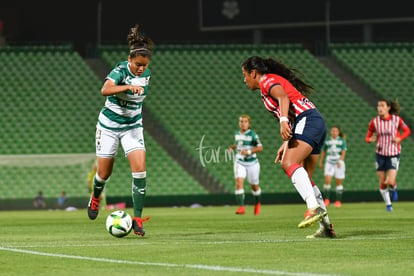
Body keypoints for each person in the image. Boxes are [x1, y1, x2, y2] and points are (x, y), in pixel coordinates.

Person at [241, 56, 336, 238]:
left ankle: (313, 208)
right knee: (305, 178)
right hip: (312, 121)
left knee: (288, 163)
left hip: (307, 120)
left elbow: (283, 98)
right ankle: (326, 227)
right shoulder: (268, 85)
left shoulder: (267, 80)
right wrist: (286, 142)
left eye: (245, 75)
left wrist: (283, 122)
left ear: (253, 73)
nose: (244, 79)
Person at [87, 24, 153, 237]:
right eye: (137, 64)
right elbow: (104, 89)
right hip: (109, 127)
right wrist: (126, 86)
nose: (141, 68)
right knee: (104, 173)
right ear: (129, 59)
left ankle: (138, 219)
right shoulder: (120, 70)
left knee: (140, 170)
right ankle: (96, 197)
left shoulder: (147, 74)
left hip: (132, 127)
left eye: (144, 65)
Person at [365, 98, 411, 212]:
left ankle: (394, 188)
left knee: (389, 181)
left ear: (388, 108)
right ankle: (388, 204)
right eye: (378, 105)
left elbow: (407, 131)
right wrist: (370, 139)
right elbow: (367, 137)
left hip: (393, 153)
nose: (379, 108)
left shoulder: (396, 120)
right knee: (382, 182)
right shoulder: (374, 122)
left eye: (382, 105)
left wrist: (400, 138)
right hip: (380, 154)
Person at [228, 114, 263, 216]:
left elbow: (260, 148)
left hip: (252, 163)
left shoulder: (253, 135)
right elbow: (239, 144)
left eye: (245, 122)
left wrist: (248, 152)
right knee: (239, 182)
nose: (243, 124)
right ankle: (241, 207)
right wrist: (232, 147)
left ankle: (257, 203)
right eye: (241, 121)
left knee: (254, 186)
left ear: (249, 123)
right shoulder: (236, 134)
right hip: (239, 161)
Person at [319, 125, 347, 208]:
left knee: (338, 182)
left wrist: (340, 161)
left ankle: (338, 201)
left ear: (338, 132)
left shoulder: (342, 141)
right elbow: (323, 151)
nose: (334, 132)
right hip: (329, 162)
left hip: (338, 163)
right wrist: (321, 161)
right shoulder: (327, 140)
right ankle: (326, 200)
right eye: (332, 131)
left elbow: (343, 152)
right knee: (327, 181)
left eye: (335, 131)